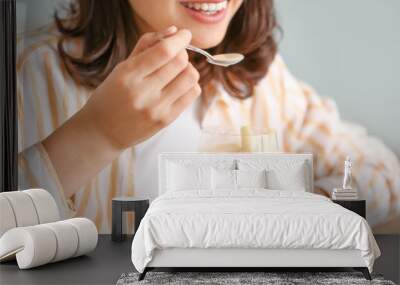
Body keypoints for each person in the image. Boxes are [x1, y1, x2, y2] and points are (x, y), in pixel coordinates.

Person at [17, 0, 400, 233]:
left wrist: (299, 207)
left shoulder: (261, 84)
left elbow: (382, 171)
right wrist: (98, 135)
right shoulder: (26, 75)